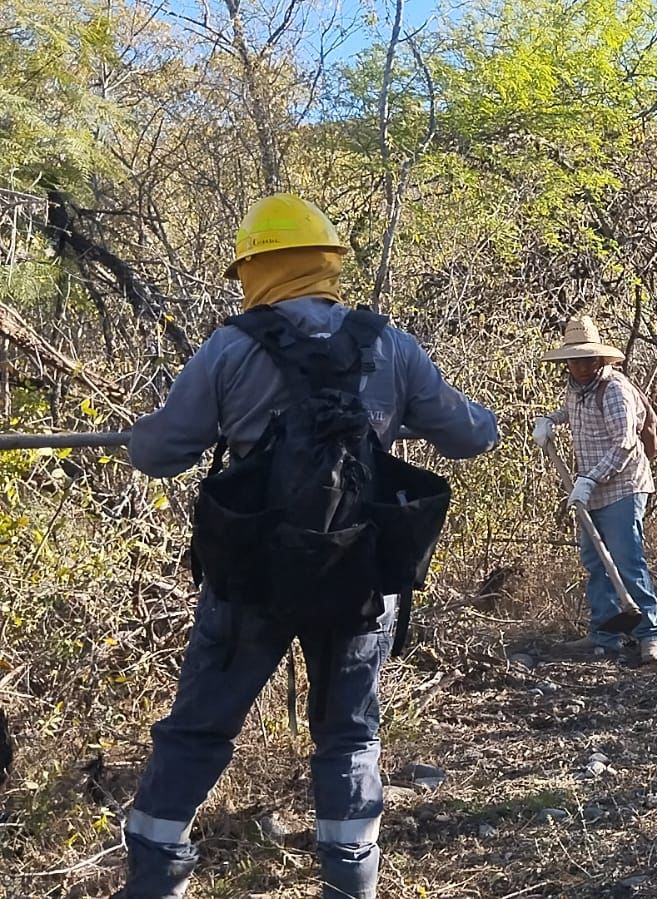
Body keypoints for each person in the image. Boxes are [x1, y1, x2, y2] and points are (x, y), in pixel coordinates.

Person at [116, 193, 499, 899]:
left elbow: (161, 452)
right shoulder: (388, 343)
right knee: (349, 736)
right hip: (358, 578)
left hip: (250, 578)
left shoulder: (231, 346)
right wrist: (486, 418)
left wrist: (141, 432)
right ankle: (351, 885)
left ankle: (154, 878)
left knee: (198, 727)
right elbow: (469, 435)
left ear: (254, 270)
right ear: (327, 263)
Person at [532, 317, 657, 663]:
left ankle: (650, 633)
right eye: (573, 360)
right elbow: (572, 411)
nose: (578, 366)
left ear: (598, 359)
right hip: (590, 488)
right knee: (595, 562)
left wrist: (590, 479)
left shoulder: (615, 389)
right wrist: (551, 420)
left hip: (623, 486)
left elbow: (624, 444)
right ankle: (605, 634)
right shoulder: (575, 387)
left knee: (626, 560)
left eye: (585, 359)